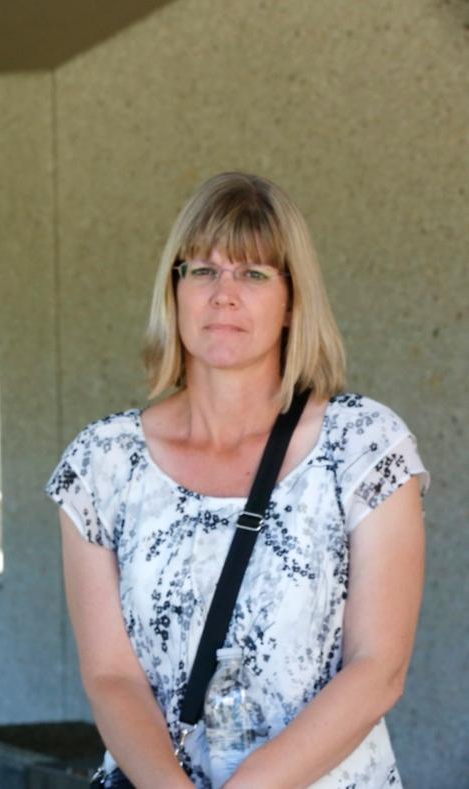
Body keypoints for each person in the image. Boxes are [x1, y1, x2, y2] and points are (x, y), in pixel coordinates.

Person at [46, 172, 426, 788]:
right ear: (173, 291)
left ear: (292, 301)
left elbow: (377, 666)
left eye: (252, 274)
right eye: (201, 270)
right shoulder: (102, 463)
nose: (223, 294)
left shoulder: (364, 447)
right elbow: (111, 676)